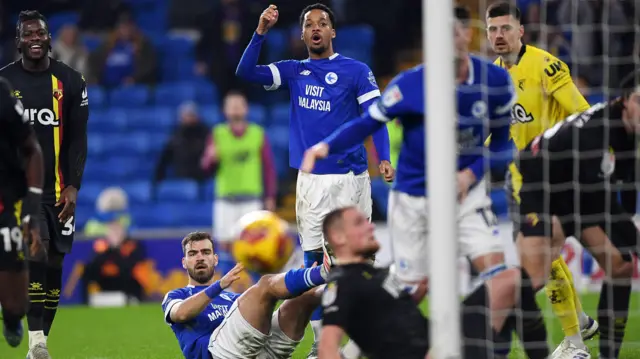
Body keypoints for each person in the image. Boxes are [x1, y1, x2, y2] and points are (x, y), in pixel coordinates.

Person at [303, 6, 551, 359]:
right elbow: (367, 123)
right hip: (414, 199)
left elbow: (502, 144)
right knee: (411, 290)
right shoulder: (410, 85)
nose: (449, 40)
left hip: (466, 196)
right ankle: (355, 352)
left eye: (455, 32)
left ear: (467, 34)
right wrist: (325, 147)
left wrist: (470, 173)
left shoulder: (493, 83)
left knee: (505, 280)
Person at [236, 4, 393, 356]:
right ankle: (324, 347)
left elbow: (376, 116)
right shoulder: (294, 71)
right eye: (310, 24)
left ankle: (359, 338)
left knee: (354, 264)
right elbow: (245, 72)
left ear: (333, 32)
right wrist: (260, 31)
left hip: (350, 180)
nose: (317, 28)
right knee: (313, 267)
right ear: (303, 35)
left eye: (323, 23)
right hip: (310, 183)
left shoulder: (356, 71)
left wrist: (382, 157)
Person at [485, 3, 598, 357]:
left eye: (505, 28)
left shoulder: (546, 65)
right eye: (492, 29)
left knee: (540, 259)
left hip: (551, 177)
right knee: (543, 257)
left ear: (521, 31)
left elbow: (583, 114)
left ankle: (576, 346)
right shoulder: (493, 74)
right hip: (519, 177)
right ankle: (579, 321)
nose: (499, 35)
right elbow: (496, 129)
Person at [516, 71, 640, 359]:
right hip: (539, 188)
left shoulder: (627, 131)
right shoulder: (595, 130)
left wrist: (629, 242)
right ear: (625, 101)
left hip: (576, 195)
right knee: (535, 274)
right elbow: (601, 200)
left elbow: (625, 185)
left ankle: (608, 355)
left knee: (620, 267)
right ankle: (488, 335)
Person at [0, 10, 89, 358]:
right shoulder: (4, 84)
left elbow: (78, 140)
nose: (35, 39)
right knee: (35, 252)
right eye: (28, 34)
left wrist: (74, 186)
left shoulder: (71, 81)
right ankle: (35, 337)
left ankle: (40, 343)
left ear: (49, 38)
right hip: (20, 193)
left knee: (54, 265)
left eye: (40, 33)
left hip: (59, 192)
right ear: (19, 40)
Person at [162, 231, 329, 359]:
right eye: (192, 254)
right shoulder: (177, 295)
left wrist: (297, 286)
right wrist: (218, 286)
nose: (200, 258)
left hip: (259, 351)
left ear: (215, 259)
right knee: (264, 284)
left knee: (308, 294)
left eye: (206, 252)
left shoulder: (232, 298)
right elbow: (181, 314)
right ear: (184, 262)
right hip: (220, 354)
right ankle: (324, 270)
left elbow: (261, 320)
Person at [200, 91, 277, 252]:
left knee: (254, 245)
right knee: (226, 246)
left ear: (246, 109)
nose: (235, 109)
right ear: (225, 110)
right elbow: (206, 169)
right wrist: (210, 159)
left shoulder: (258, 133)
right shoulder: (217, 133)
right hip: (226, 198)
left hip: (252, 199)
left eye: (239, 105)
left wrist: (270, 196)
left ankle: (253, 278)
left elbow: (268, 167)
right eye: (231, 105)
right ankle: (230, 277)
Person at [0, 77, 44, 352]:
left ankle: (12, 316)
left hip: (5, 198)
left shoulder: (2, 95)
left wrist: (31, 208)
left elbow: (32, 149)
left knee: (16, 304)